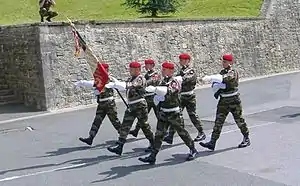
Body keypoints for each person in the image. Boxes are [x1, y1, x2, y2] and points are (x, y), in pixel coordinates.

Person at [138, 61, 198, 165]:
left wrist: (156, 90)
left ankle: (193, 149)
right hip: (164, 112)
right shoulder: (162, 81)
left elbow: (170, 91)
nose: (162, 71)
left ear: (170, 71)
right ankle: (153, 156)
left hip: (173, 112)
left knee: (182, 132)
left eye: (164, 70)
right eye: (162, 69)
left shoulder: (174, 82)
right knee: (159, 135)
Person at [199, 54, 250, 151]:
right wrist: (216, 88)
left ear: (230, 62)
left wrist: (211, 78)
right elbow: (217, 83)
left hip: (233, 100)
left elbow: (226, 79)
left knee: (239, 120)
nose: (223, 63)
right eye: (223, 61)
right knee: (218, 122)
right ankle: (212, 142)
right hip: (223, 101)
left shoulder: (233, 72)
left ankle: (246, 138)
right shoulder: (222, 72)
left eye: (225, 61)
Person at [105, 61, 155, 155]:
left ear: (137, 70)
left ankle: (153, 143)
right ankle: (120, 146)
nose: (130, 71)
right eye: (130, 69)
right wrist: (114, 81)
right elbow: (124, 86)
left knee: (144, 126)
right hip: (131, 105)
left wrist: (117, 84)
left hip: (140, 105)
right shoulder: (130, 78)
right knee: (125, 125)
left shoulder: (140, 78)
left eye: (132, 69)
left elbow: (130, 86)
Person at [74, 63, 122, 146]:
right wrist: (82, 83)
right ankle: (90, 138)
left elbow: (118, 85)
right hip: (101, 103)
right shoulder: (99, 79)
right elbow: (92, 83)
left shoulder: (110, 78)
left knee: (115, 121)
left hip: (109, 103)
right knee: (97, 121)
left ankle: (122, 137)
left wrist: (110, 85)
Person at [163, 53, 206, 144]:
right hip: (181, 96)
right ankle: (170, 136)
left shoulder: (191, 71)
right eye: (180, 60)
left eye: (182, 60)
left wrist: (181, 76)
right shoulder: (180, 72)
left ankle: (201, 132)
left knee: (192, 115)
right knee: (177, 115)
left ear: (187, 61)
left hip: (189, 96)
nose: (180, 62)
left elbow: (187, 79)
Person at [129, 59, 160, 137]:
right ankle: (136, 130)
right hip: (147, 98)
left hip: (154, 97)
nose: (145, 66)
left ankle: (163, 131)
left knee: (159, 115)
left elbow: (151, 81)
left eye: (147, 65)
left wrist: (142, 82)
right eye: (145, 65)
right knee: (142, 116)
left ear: (152, 65)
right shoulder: (147, 75)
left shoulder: (155, 74)